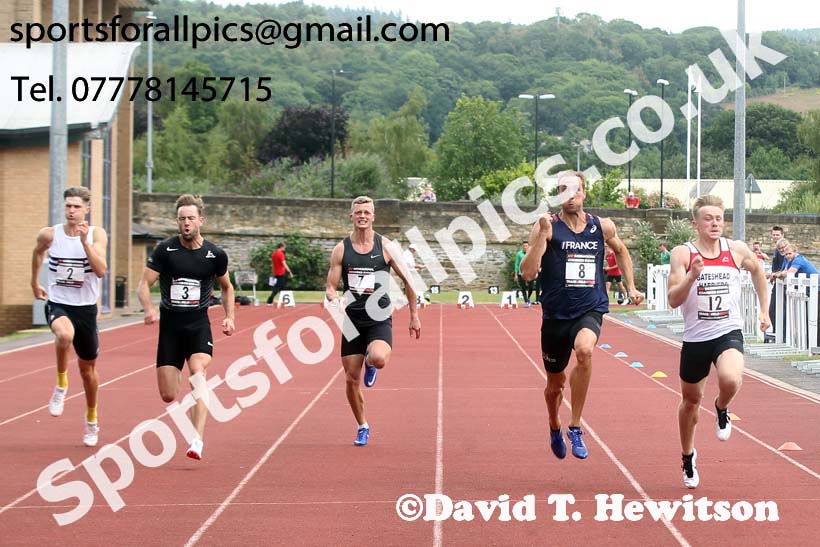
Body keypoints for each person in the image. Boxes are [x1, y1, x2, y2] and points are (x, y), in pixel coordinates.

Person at [521, 171, 643, 460]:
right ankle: (554, 425)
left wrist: (632, 286)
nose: (571, 195)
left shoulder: (602, 226)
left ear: (584, 193)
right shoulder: (546, 226)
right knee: (554, 386)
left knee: (585, 351)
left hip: (590, 307)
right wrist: (542, 237)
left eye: (576, 190)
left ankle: (575, 426)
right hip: (555, 315)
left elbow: (622, 251)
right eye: (564, 190)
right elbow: (528, 273)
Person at [667, 195, 770, 489]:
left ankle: (722, 407)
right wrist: (692, 277)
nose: (715, 223)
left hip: (728, 331)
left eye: (719, 218)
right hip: (696, 338)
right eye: (708, 218)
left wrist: (764, 310)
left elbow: (759, 272)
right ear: (695, 223)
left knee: (730, 378)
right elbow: (673, 300)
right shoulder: (682, 254)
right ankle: (688, 456)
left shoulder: (736, 250)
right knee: (690, 402)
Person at [137, 194, 235, 460]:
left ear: (200, 220)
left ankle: (197, 440)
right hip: (170, 328)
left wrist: (229, 316)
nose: (186, 224)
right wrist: (148, 309)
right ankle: (183, 385)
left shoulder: (215, 254)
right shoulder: (165, 250)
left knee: (198, 372)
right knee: (168, 395)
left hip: (198, 326)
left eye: (191, 218)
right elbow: (144, 284)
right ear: (177, 222)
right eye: (182, 219)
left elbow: (227, 288)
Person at [325, 196, 421, 446]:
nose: (363, 216)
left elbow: (409, 281)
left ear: (373, 216)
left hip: (378, 316)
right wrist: (335, 299)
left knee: (378, 359)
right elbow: (331, 287)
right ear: (351, 216)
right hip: (351, 320)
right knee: (350, 379)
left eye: (367, 212)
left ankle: (370, 360)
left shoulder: (387, 247)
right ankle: (362, 425)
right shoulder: (341, 249)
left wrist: (414, 315)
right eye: (358, 212)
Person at [31, 186, 107, 447]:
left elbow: (100, 271)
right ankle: (61, 384)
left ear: (87, 209)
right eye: (68, 206)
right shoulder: (50, 234)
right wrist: (34, 283)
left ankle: (91, 420)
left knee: (88, 371)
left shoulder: (97, 235)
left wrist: (85, 243)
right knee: (64, 334)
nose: (71, 211)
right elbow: (37, 252)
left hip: (86, 308)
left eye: (76, 206)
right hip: (58, 303)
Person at [513, 241, 535, 307]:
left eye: (526, 246)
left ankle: (528, 297)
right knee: (523, 288)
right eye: (524, 246)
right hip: (521, 272)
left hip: (530, 272)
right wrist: (516, 274)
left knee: (531, 287)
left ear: (528, 247)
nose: (525, 247)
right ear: (522, 246)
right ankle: (526, 301)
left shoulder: (531, 253)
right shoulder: (519, 254)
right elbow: (516, 264)